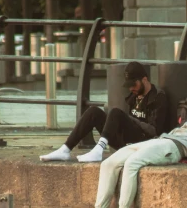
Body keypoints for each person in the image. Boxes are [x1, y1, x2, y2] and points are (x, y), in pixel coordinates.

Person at [39, 61, 168, 163]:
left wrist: (130, 119)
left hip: (143, 144)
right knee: (94, 111)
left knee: (116, 112)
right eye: (129, 85)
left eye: (133, 84)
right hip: (126, 144)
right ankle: (65, 149)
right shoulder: (134, 96)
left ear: (144, 79)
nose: (131, 88)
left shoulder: (158, 97)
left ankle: (98, 151)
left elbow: (154, 131)